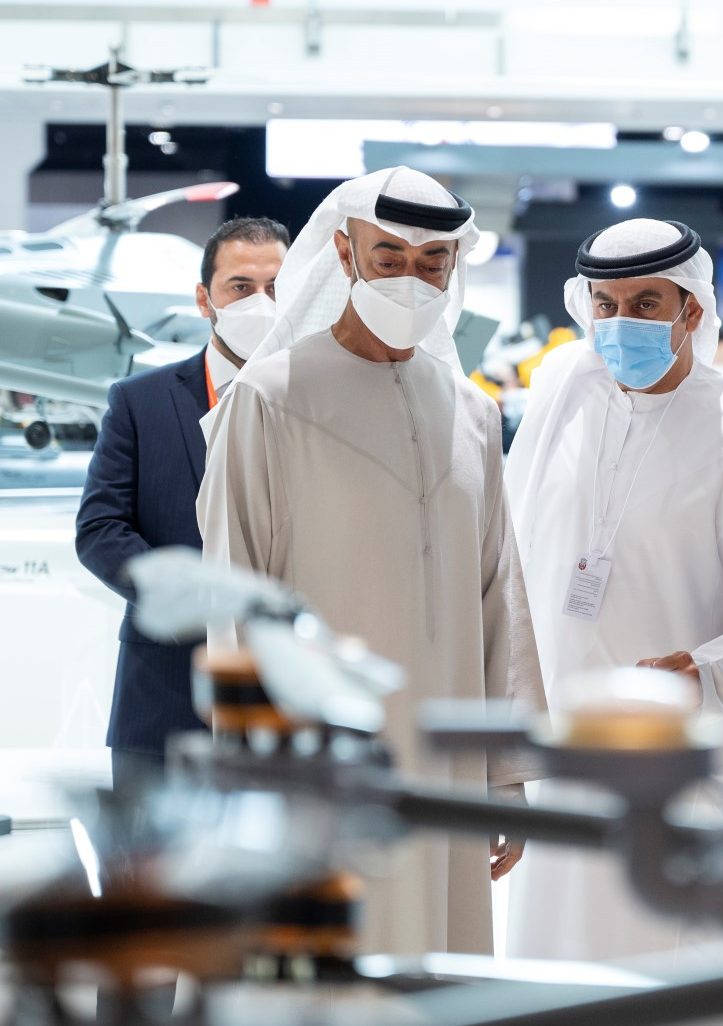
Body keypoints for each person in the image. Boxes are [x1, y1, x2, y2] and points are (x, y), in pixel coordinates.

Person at [197, 168, 542, 956]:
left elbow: (499, 601)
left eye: (433, 262)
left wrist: (505, 775)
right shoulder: (269, 398)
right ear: (346, 256)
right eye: (390, 257)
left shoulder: (473, 412)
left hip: (445, 762)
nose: (412, 278)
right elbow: (233, 600)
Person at [502, 218, 723, 961]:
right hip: (560, 753)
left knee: (677, 974)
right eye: (605, 305)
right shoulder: (556, 402)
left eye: (645, 304)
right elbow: (506, 571)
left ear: (691, 311)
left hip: (682, 757)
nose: (620, 322)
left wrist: (706, 673)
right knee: (558, 972)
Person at [76, 216, 287, 793]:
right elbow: (100, 528)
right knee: (150, 880)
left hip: (287, 699)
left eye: (276, 288)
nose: (260, 303)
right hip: (166, 691)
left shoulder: (318, 407)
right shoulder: (140, 402)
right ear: (204, 299)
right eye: (241, 287)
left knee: (280, 882)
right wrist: (189, 595)